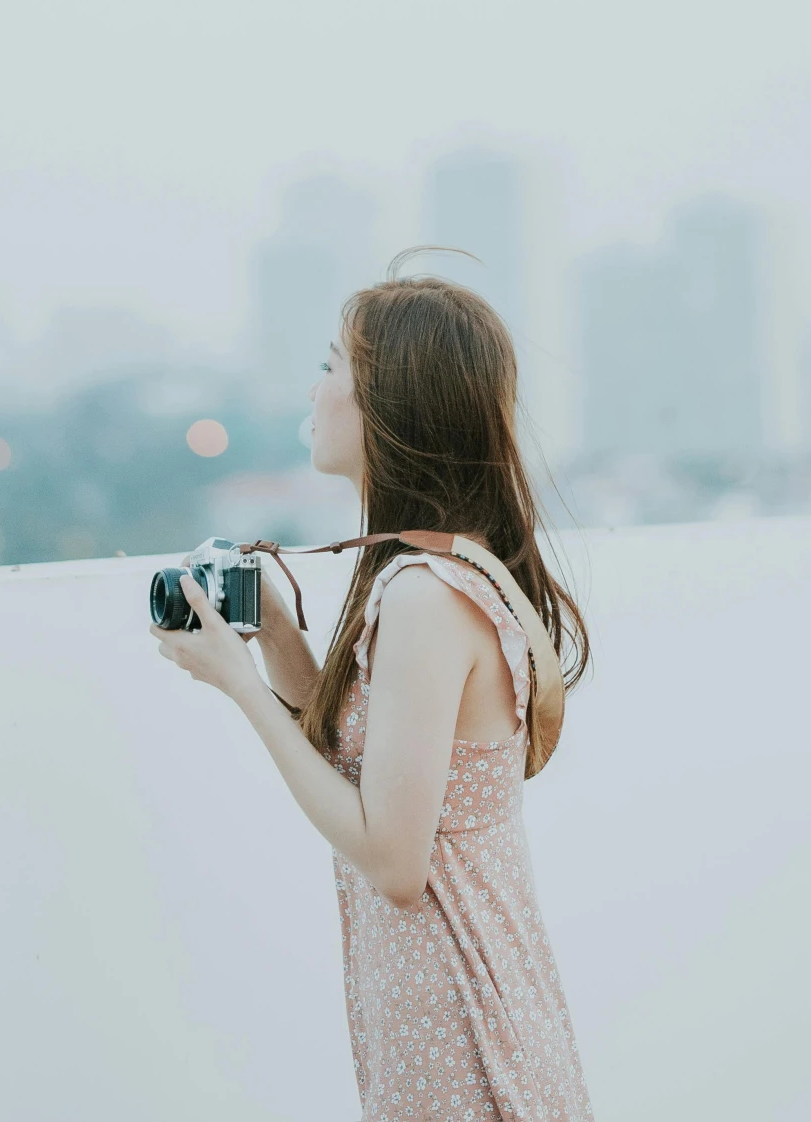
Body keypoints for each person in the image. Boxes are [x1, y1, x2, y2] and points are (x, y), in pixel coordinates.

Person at [150, 273, 594, 1121]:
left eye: (330, 365)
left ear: (388, 404)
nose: (313, 389)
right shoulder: (432, 569)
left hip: (458, 1014)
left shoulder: (425, 597)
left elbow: (393, 861)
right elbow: (370, 772)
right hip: (452, 997)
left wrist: (239, 686)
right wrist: (278, 639)